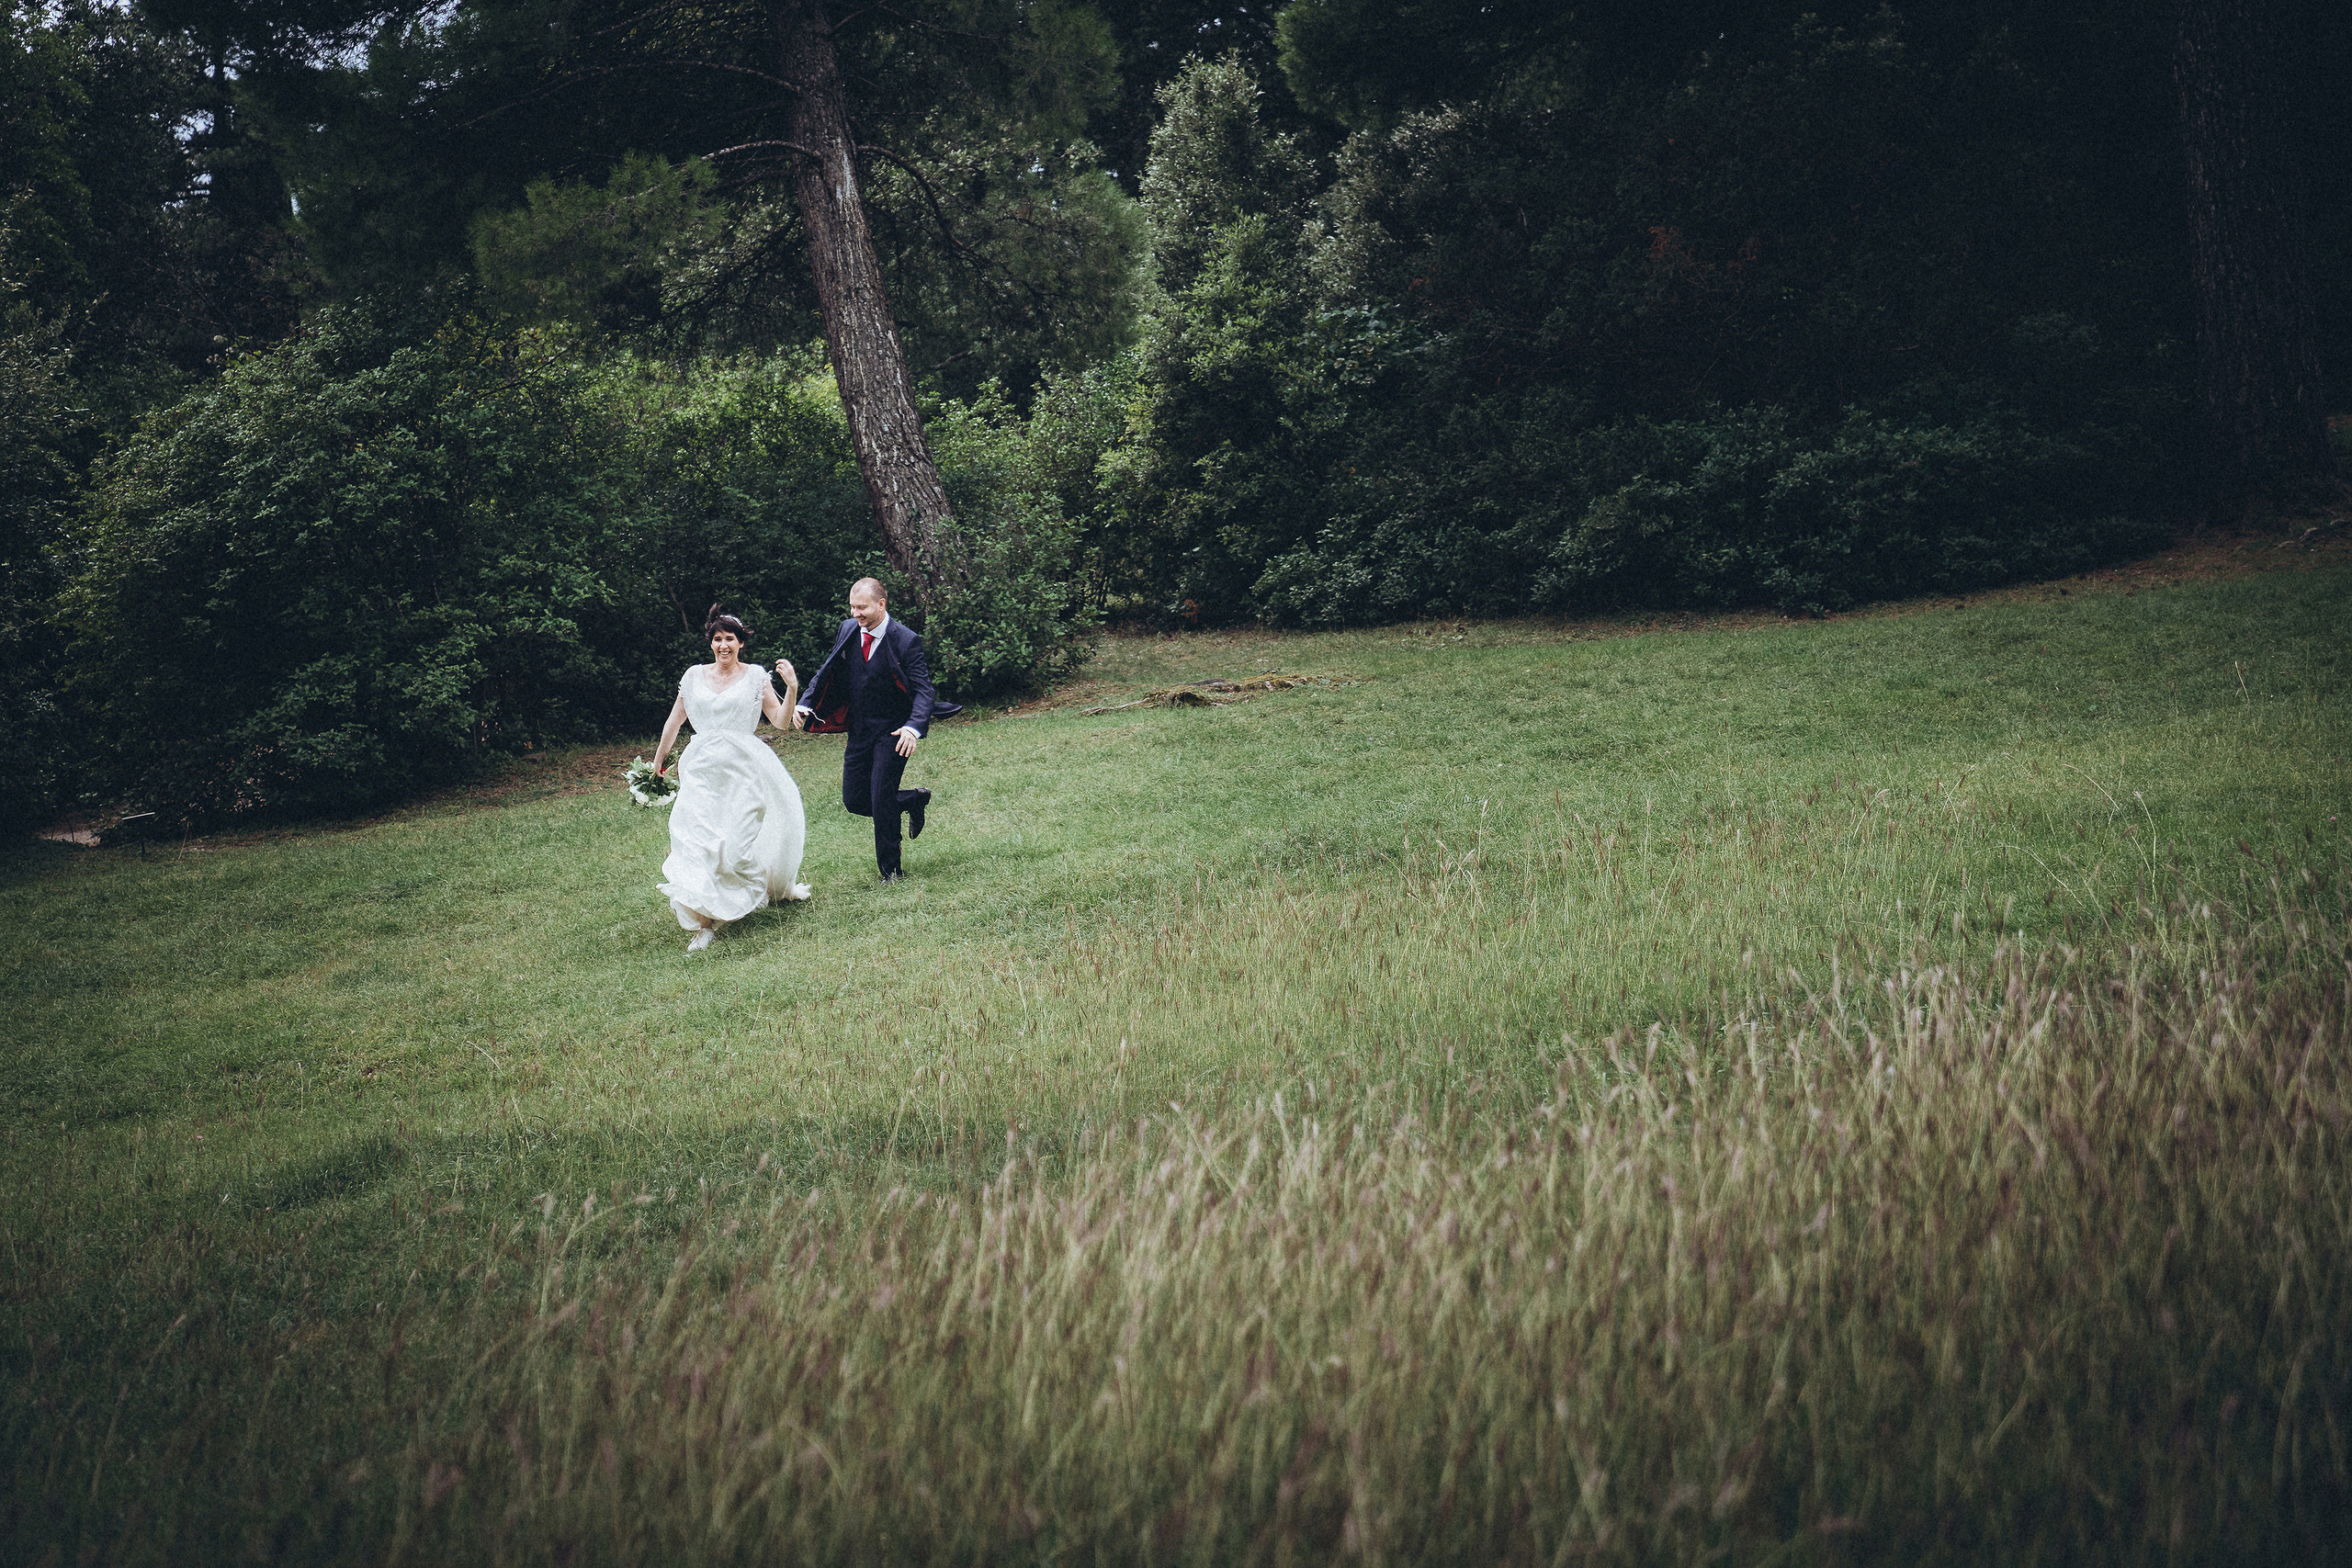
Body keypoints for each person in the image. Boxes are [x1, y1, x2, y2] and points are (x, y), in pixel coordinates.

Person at [650, 605, 812, 951]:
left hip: (742, 769)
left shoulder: (755, 677)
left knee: (736, 847)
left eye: (730, 639)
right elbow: (675, 721)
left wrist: (792, 689)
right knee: (698, 843)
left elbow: (780, 721)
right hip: (701, 768)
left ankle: (753, 888)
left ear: (741, 644)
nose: (724, 645)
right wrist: (658, 761)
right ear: (711, 643)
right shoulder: (693, 676)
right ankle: (704, 924)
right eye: (718, 639)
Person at [792, 577, 958, 881]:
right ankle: (911, 799)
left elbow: (924, 691)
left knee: (881, 797)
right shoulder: (848, 629)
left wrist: (913, 728)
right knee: (854, 800)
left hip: (894, 733)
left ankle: (892, 872)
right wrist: (806, 703)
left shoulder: (906, 640)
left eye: (862, 608)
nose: (856, 614)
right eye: (852, 607)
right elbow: (828, 668)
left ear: (881, 605)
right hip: (859, 731)